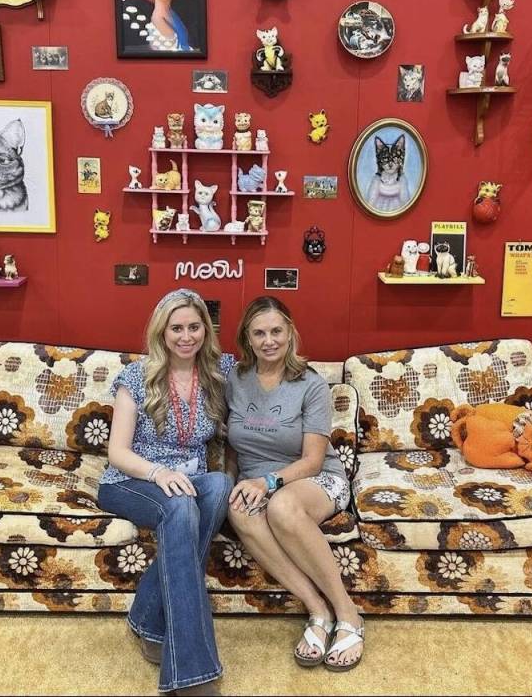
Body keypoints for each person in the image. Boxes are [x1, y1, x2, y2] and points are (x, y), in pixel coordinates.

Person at [98, 288, 234, 696]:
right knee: (180, 506)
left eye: (195, 327)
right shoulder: (136, 378)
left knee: (221, 484)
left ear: (206, 331)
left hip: (188, 482)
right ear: (162, 331)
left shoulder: (220, 371)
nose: (186, 336)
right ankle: (192, 672)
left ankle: (147, 619)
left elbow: (268, 380)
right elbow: (117, 452)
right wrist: (157, 472)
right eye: (177, 328)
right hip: (132, 481)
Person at [225, 296, 364, 672]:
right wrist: (233, 481)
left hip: (314, 479)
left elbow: (312, 460)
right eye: (259, 333)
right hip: (256, 480)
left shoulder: (310, 384)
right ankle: (317, 612)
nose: (268, 340)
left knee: (282, 506)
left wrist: (268, 481)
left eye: (276, 331)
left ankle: (348, 614)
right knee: (239, 508)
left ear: (289, 333)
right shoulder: (234, 380)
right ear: (247, 339)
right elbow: (231, 446)